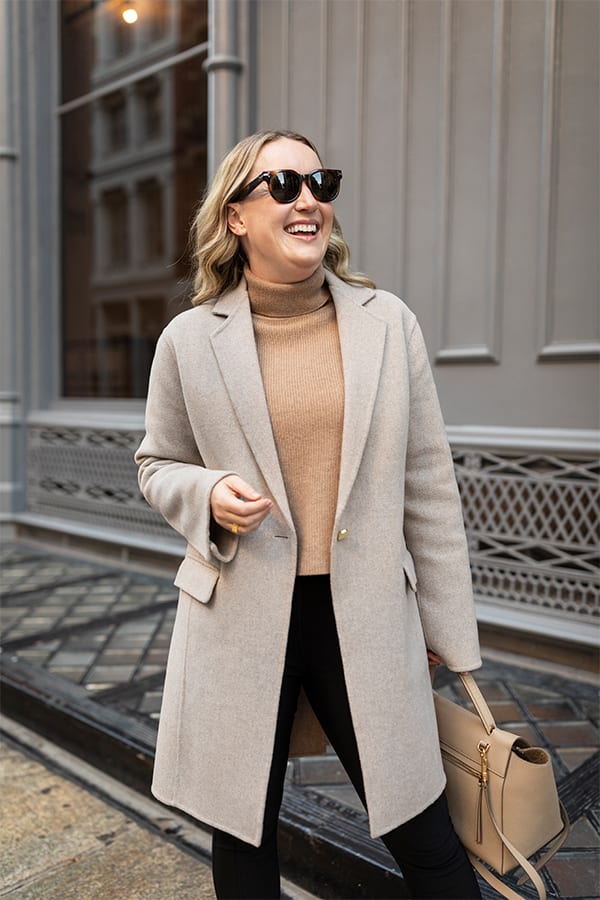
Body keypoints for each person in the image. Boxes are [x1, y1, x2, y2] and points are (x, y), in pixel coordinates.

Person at [135, 129, 482, 899]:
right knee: (244, 836)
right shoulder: (190, 340)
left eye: (319, 182)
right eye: (283, 184)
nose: (307, 200)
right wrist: (210, 496)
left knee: (424, 834)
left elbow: (427, 478)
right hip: (237, 615)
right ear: (235, 216)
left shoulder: (387, 323)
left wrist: (446, 630)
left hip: (360, 614)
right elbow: (157, 465)